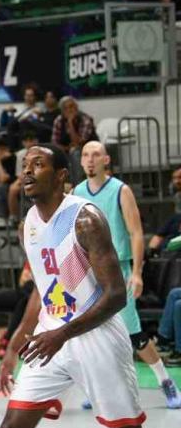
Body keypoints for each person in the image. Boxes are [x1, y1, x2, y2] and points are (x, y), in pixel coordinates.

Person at [0, 145, 161, 428]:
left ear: (60, 176)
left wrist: (62, 334)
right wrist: (13, 348)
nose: (27, 171)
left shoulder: (85, 220)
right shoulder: (29, 224)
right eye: (25, 164)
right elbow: (43, 289)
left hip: (96, 336)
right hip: (50, 337)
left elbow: (116, 295)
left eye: (37, 164)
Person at [72, 142, 180, 408]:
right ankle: (99, 389)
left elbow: (135, 233)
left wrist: (137, 272)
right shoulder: (76, 192)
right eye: (85, 155)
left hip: (117, 270)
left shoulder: (121, 190)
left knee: (134, 333)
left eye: (95, 155)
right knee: (94, 333)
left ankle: (166, 381)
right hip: (89, 271)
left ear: (106, 160)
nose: (90, 159)